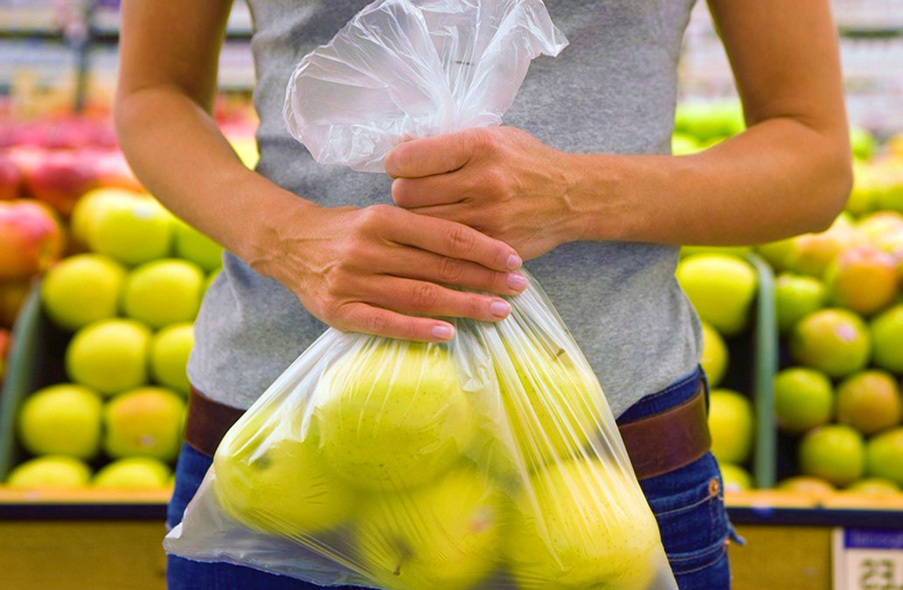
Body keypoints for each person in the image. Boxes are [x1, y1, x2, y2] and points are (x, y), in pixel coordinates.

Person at [116, 0, 851, 589]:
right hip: (282, 443)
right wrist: (286, 237)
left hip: (600, 461)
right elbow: (154, 92)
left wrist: (575, 195)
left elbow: (813, 158)